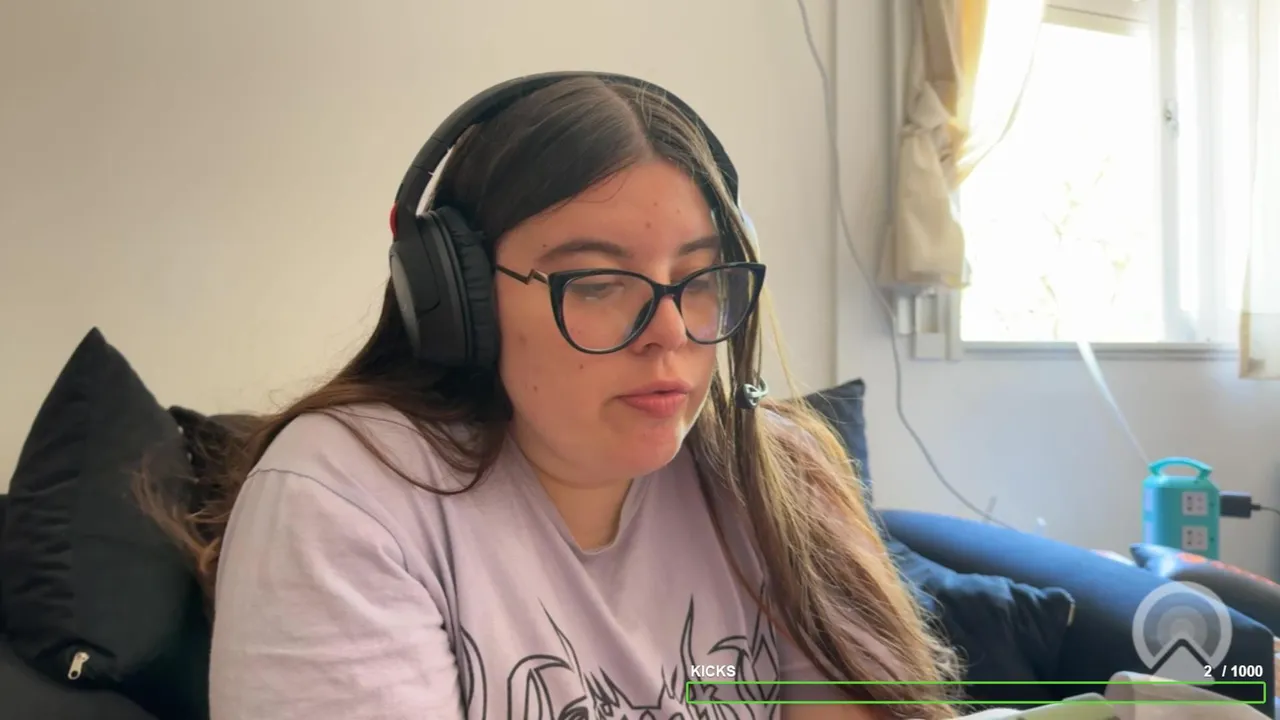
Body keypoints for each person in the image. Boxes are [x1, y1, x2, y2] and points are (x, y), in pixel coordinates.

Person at [140, 72, 961, 719]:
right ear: (456, 300)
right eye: (598, 282)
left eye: (701, 277)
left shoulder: (779, 472)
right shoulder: (346, 492)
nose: (669, 331)